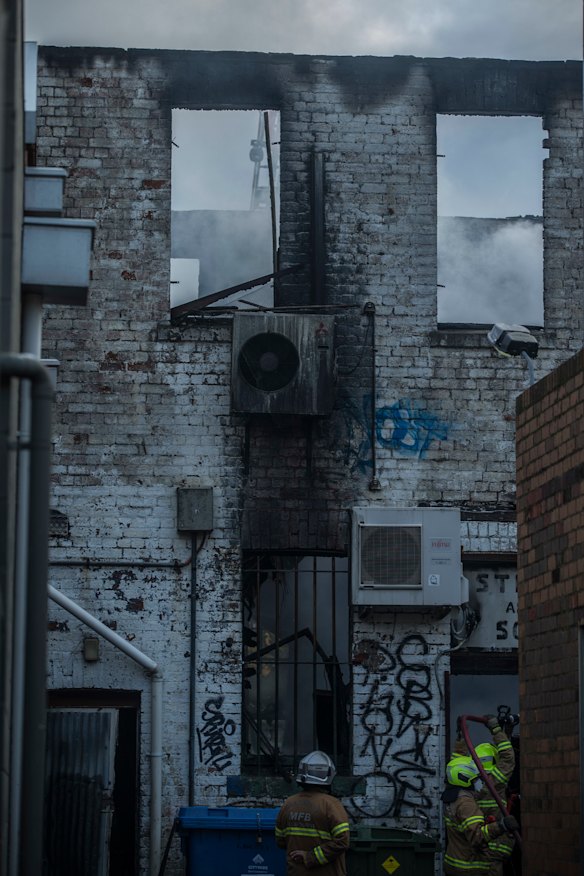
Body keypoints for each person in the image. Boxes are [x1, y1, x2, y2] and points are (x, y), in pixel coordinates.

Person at [275, 750, 350, 874]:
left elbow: (280, 841)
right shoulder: (331, 805)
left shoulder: (288, 804)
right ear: (329, 776)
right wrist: (311, 857)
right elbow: (342, 841)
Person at [442, 755, 518, 876]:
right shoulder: (466, 804)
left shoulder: (453, 798)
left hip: (455, 863)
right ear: (464, 777)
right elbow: (477, 837)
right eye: (476, 779)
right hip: (470, 867)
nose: (480, 782)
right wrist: (501, 825)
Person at [475, 715, 517, 875]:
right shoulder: (495, 781)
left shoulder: (469, 782)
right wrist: (496, 730)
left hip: (477, 846)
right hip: (496, 846)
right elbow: (507, 757)